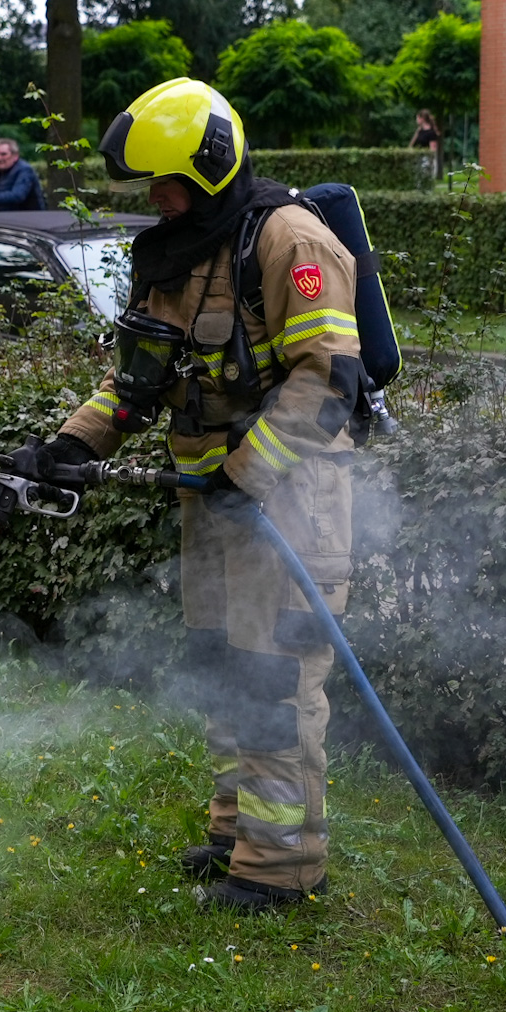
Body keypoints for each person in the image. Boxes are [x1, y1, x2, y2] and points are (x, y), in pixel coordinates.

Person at [40, 78, 362, 914]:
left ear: (211, 167)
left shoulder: (290, 240)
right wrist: (73, 441)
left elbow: (330, 379)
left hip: (285, 505)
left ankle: (281, 866)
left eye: (166, 182)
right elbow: (138, 380)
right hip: (211, 503)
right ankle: (237, 832)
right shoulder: (183, 253)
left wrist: (244, 473)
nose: (156, 199)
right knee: (220, 664)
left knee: (273, 679)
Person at [409, 108, 442, 179]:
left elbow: (433, 148)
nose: (416, 120)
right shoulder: (420, 131)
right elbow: (411, 144)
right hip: (418, 158)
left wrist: (431, 162)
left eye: (417, 118)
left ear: (422, 119)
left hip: (426, 159)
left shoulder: (431, 133)